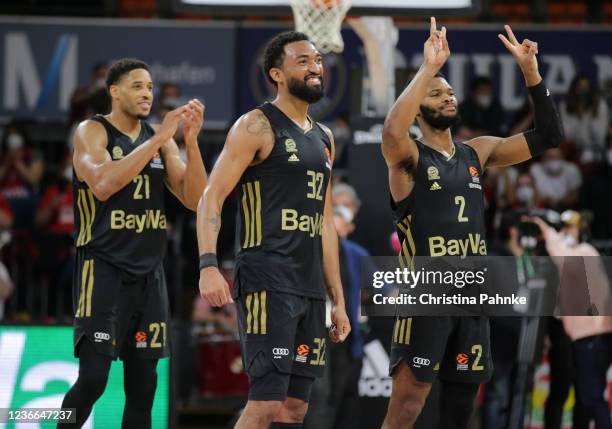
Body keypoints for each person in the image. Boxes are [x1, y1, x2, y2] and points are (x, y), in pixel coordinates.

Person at [380, 18, 564, 429]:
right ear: (418, 106)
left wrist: (531, 73)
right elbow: (392, 131)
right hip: (425, 297)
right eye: (436, 92)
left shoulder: (477, 152)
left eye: (449, 90)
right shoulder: (408, 159)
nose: (448, 96)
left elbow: (550, 135)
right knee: (406, 409)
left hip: (470, 297)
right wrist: (427, 68)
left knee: (461, 413)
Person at [197, 31, 351, 429]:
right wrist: (209, 265)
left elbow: (325, 225)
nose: (316, 67)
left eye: (317, 60)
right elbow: (211, 197)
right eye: (303, 61)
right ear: (277, 74)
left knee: (294, 409)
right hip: (268, 277)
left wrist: (337, 298)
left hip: (310, 286)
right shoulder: (255, 126)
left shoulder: (325, 137)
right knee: (265, 404)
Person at [58, 58, 207, 428]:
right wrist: (159, 138)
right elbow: (104, 184)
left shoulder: (161, 141)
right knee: (93, 379)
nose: (147, 94)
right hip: (103, 268)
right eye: (137, 86)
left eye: (150, 87)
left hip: (148, 277)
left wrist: (190, 141)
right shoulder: (92, 131)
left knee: (143, 391)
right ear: (114, 91)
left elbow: (194, 198)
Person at [533, 212, 612, 429]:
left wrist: (549, 232)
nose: (565, 232)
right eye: (563, 228)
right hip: (580, 337)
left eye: (570, 228)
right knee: (587, 396)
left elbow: (562, 257)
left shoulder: (585, 252)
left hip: (593, 338)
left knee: (591, 397)